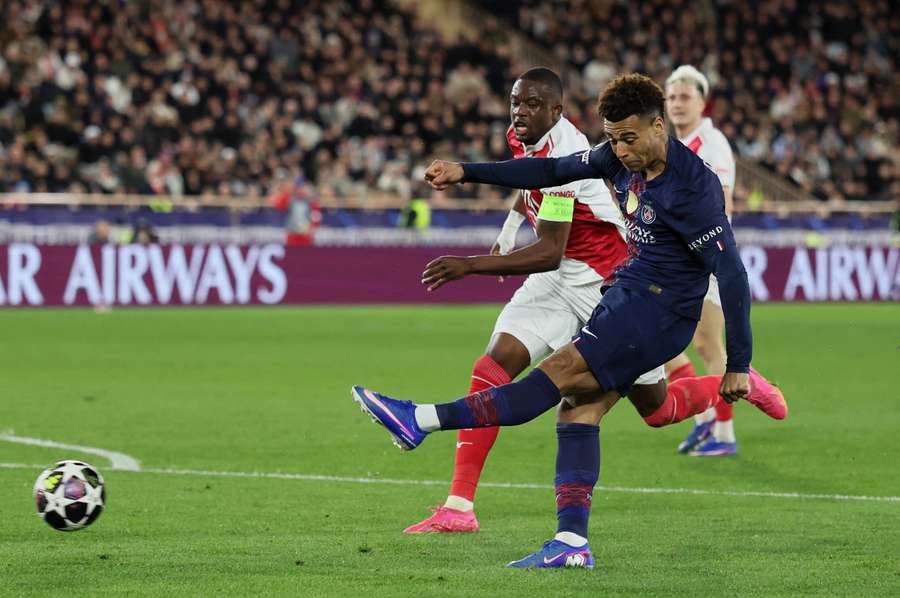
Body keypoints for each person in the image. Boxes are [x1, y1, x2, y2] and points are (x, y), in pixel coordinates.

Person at [351, 74, 787, 568]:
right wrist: (465, 172)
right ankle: (572, 544)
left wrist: (738, 358)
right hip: (624, 293)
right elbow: (551, 172)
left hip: (656, 312)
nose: (619, 151)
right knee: (605, 409)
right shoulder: (612, 154)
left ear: (659, 126)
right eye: (614, 137)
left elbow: (732, 275)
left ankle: (420, 419)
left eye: (629, 138)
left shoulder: (694, 187)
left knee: (551, 381)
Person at [403, 67, 655, 534]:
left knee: (657, 407)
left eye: (534, 104)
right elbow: (528, 182)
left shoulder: (568, 149)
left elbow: (548, 250)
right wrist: (506, 231)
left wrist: (470, 264)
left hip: (604, 281)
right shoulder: (524, 134)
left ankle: (733, 380)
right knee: (492, 365)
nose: (521, 112)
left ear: (557, 111)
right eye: (516, 102)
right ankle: (459, 506)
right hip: (557, 279)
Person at [664, 65, 740, 456]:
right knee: (661, 342)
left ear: (701, 101)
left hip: (707, 255)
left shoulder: (711, 143)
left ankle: (722, 433)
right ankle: (705, 420)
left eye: (685, 97)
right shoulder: (672, 144)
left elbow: (721, 203)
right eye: (672, 97)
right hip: (677, 258)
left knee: (709, 346)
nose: (677, 104)